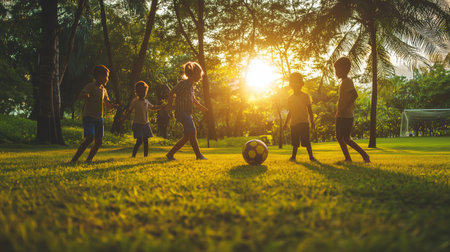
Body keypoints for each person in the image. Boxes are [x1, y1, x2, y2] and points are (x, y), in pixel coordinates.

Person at [71, 65, 117, 163]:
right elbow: (81, 94)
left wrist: (113, 106)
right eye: (106, 76)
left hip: (99, 119)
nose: (107, 79)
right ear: (99, 76)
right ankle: (74, 159)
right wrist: (85, 95)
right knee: (90, 138)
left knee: (99, 141)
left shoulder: (104, 90)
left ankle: (89, 159)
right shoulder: (90, 86)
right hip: (89, 117)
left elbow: (107, 104)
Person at [165, 61, 208, 160]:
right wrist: (169, 104)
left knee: (188, 136)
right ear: (193, 73)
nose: (200, 77)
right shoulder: (183, 83)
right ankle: (199, 155)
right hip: (181, 112)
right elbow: (172, 92)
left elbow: (193, 99)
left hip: (187, 113)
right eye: (199, 74)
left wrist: (202, 107)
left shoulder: (191, 86)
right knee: (192, 131)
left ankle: (170, 154)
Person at [334, 57, 370, 163]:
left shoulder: (347, 81)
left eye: (337, 69)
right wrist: (338, 111)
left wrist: (345, 108)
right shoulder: (343, 82)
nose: (336, 72)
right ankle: (348, 158)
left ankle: (365, 155)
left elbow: (355, 95)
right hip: (341, 114)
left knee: (346, 138)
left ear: (344, 69)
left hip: (347, 115)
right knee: (339, 137)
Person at [122, 81, 163, 157]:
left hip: (146, 123)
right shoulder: (135, 101)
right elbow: (129, 111)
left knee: (146, 140)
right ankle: (133, 155)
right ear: (137, 92)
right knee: (139, 140)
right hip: (137, 124)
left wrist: (161, 106)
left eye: (145, 91)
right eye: (141, 91)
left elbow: (153, 107)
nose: (143, 93)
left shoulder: (146, 101)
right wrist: (124, 118)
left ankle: (145, 156)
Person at [283, 72, 317, 162]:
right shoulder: (290, 99)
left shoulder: (305, 96)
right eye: (294, 84)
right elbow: (290, 112)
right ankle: (293, 157)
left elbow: (310, 110)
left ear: (301, 84)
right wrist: (286, 123)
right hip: (294, 123)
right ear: (291, 85)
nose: (296, 86)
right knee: (295, 142)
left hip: (304, 122)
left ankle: (311, 157)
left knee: (306, 141)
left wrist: (312, 121)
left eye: (298, 83)